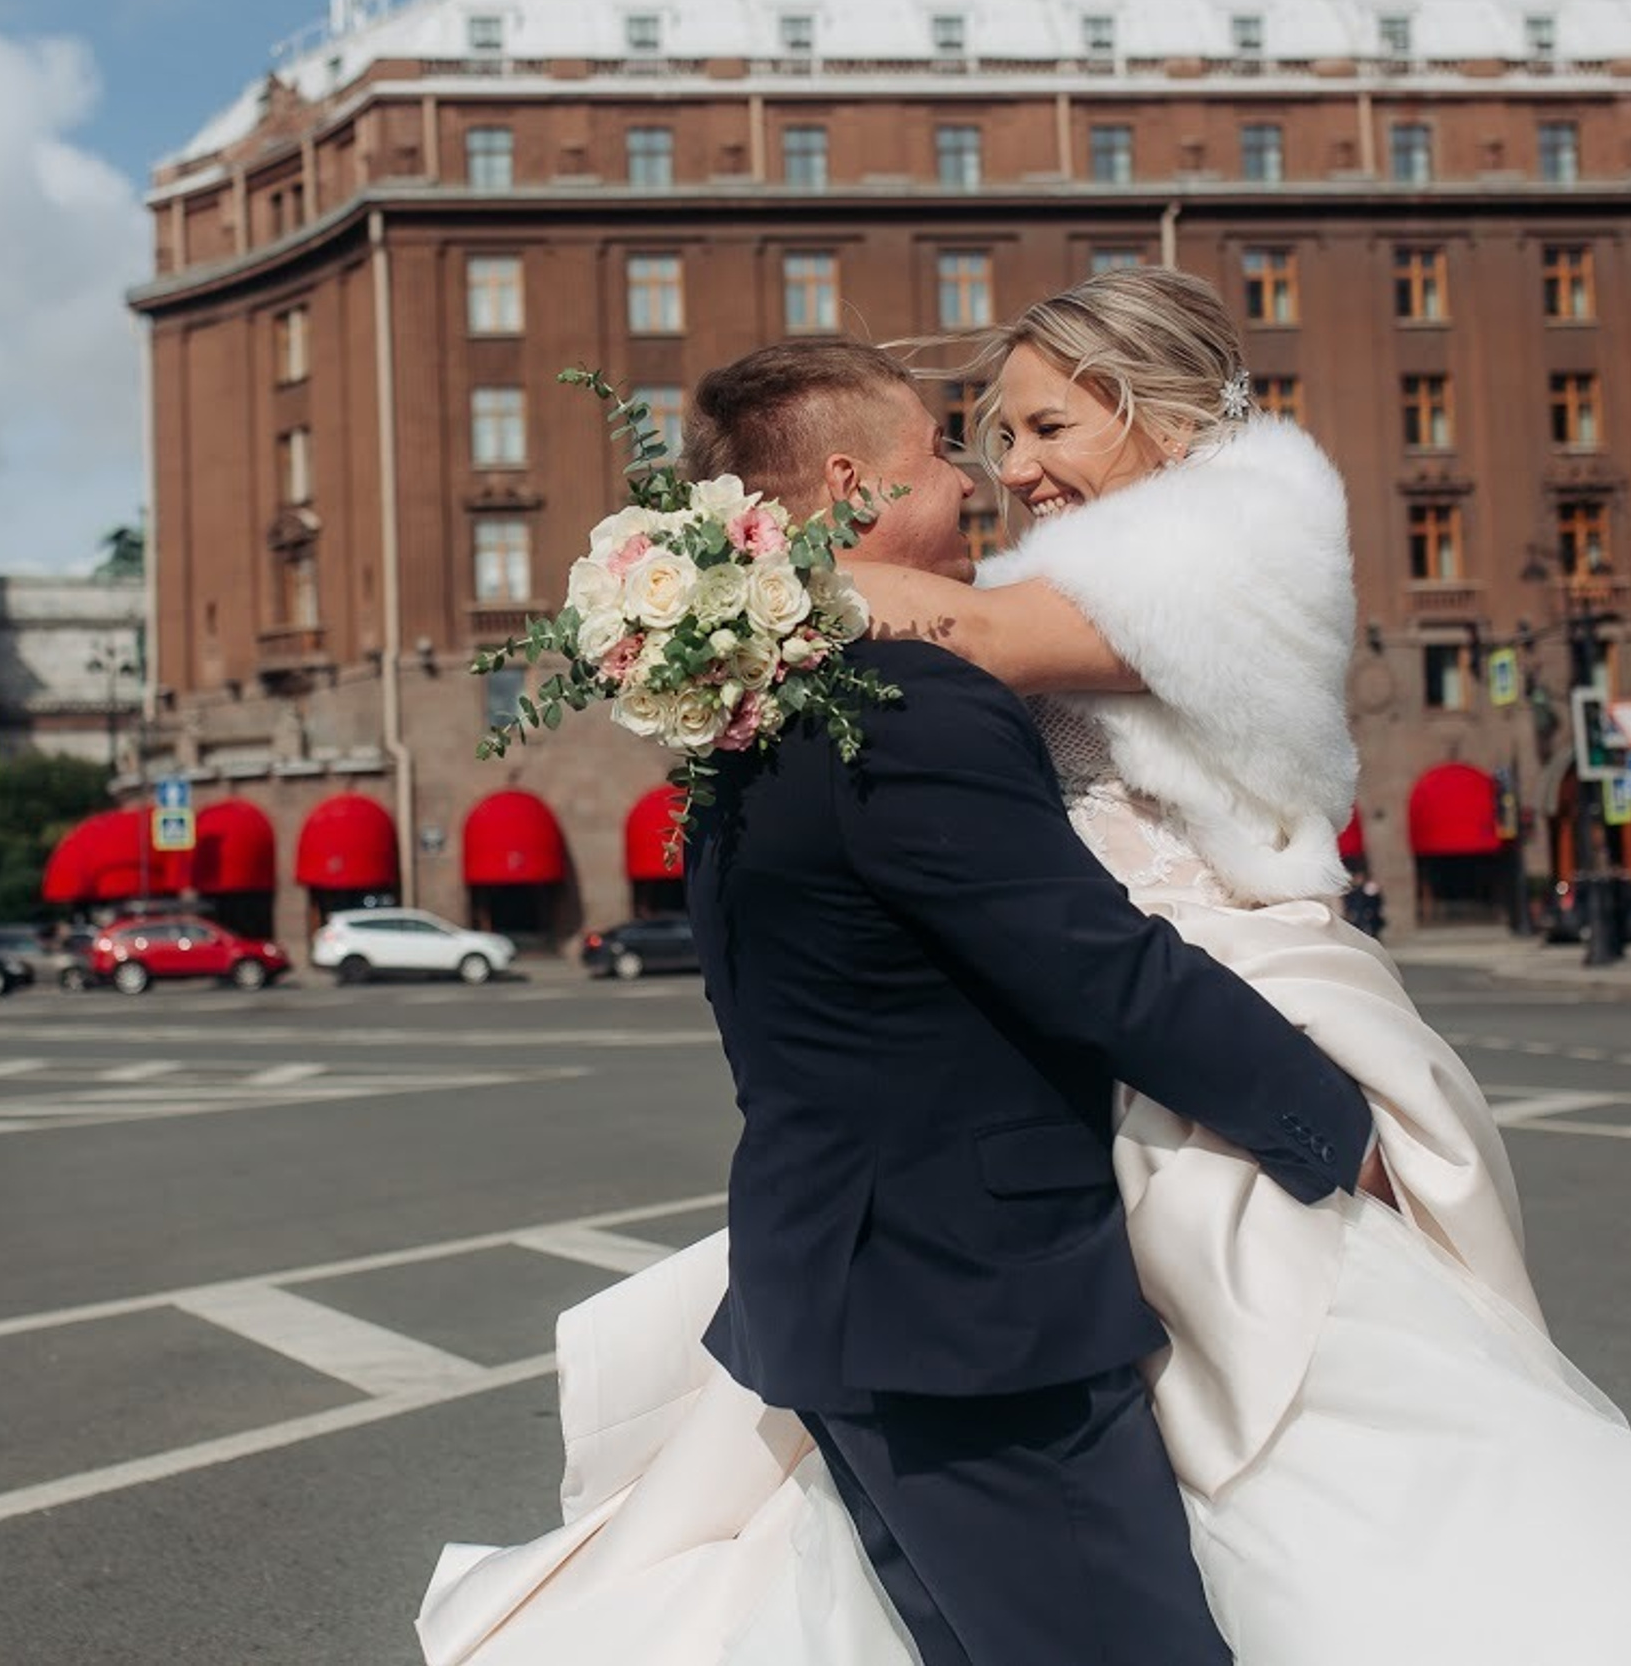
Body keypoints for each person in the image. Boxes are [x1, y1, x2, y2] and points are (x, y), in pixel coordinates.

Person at [418, 278, 1631, 1664]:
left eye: (1043, 426)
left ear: (1153, 412)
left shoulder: (1230, 541)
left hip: (1210, 1022)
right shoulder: (888, 672)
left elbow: (1030, 797)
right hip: (1033, 1176)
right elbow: (1044, 940)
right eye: (979, 442)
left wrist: (733, 577)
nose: (1003, 470)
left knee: (1299, 1440)